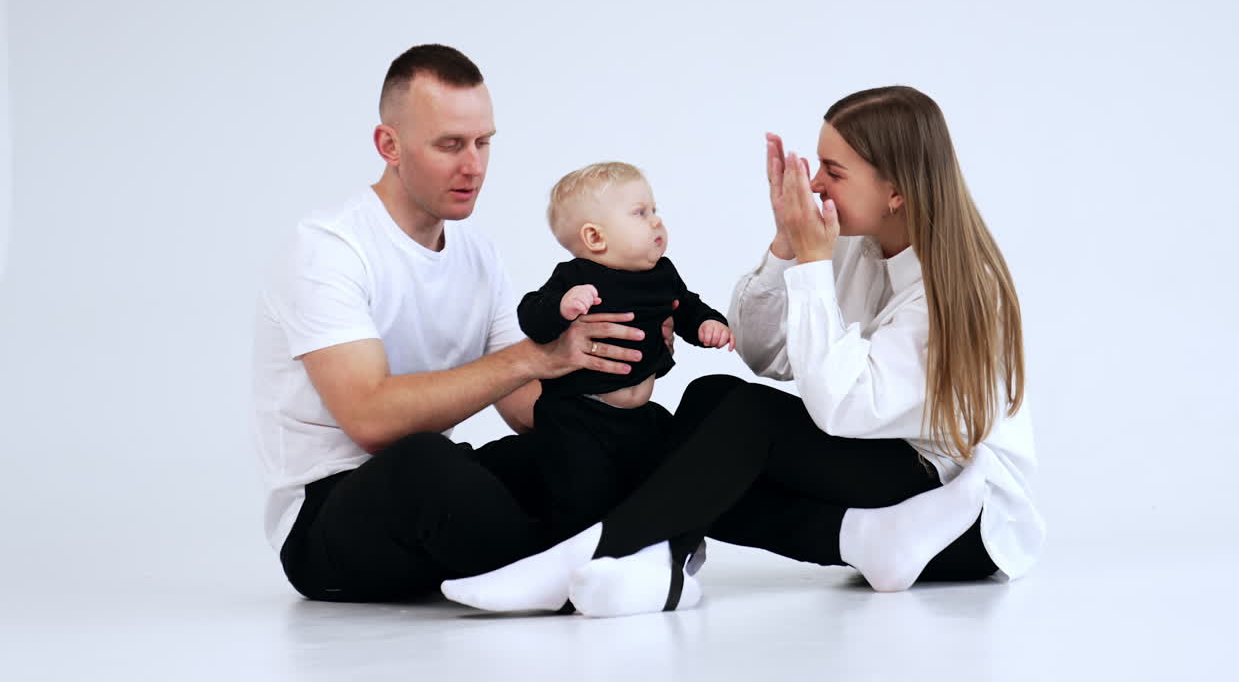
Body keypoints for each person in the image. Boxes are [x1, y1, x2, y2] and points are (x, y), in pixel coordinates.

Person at [441, 86, 1045, 618]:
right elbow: (763, 354)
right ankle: (859, 540)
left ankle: (599, 554)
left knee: (741, 428)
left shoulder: (957, 289)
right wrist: (787, 246)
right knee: (705, 413)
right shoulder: (858, 250)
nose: (813, 185)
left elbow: (844, 410)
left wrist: (811, 266)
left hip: (960, 520)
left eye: (834, 172)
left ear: (895, 191)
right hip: (895, 506)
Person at [251, 44, 669, 602]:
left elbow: (525, 410)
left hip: (438, 501)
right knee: (423, 460)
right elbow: (370, 420)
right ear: (389, 145)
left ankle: (593, 565)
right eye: (450, 145)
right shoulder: (328, 247)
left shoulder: (477, 253)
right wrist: (536, 356)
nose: (473, 165)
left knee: (591, 445)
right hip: (329, 523)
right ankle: (580, 574)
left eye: (483, 142)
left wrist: (618, 379)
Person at [520, 161, 733, 546]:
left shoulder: (662, 274)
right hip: (577, 415)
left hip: (636, 416)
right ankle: (566, 557)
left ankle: (654, 550)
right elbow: (531, 315)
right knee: (581, 496)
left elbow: (685, 306)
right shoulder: (575, 277)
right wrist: (562, 306)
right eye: (640, 213)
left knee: (651, 480)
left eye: (654, 210)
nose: (656, 221)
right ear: (595, 237)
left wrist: (706, 325)